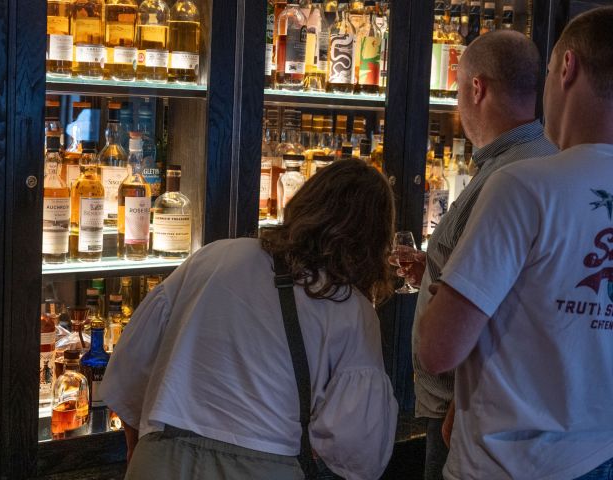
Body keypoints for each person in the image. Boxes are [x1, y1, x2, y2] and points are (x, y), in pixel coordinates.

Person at [100, 159, 398, 480]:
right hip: (265, 464)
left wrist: (140, 449)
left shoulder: (216, 256)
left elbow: (130, 364)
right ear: (373, 239)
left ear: (303, 203)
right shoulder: (351, 308)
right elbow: (358, 448)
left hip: (162, 455)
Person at [418, 6, 613, 479]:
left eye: (548, 71)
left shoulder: (525, 186)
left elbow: (438, 348)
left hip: (507, 464)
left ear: (566, 68)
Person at [400, 30, 558, 480]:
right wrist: (433, 269)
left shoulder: (512, 177)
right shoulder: (533, 159)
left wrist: (459, 404)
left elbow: (507, 311)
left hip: (463, 412)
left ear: (476, 88)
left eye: (456, 91)